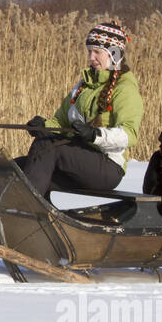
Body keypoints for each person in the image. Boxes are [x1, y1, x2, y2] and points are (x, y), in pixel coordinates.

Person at [22, 22, 143, 199]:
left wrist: (95, 134)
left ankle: (27, 209)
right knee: (20, 165)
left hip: (108, 167)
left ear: (114, 55)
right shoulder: (83, 86)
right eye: (89, 51)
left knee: (49, 147)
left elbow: (129, 134)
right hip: (78, 159)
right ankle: (38, 216)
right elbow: (60, 122)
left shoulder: (125, 89)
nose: (91, 58)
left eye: (97, 52)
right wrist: (42, 126)